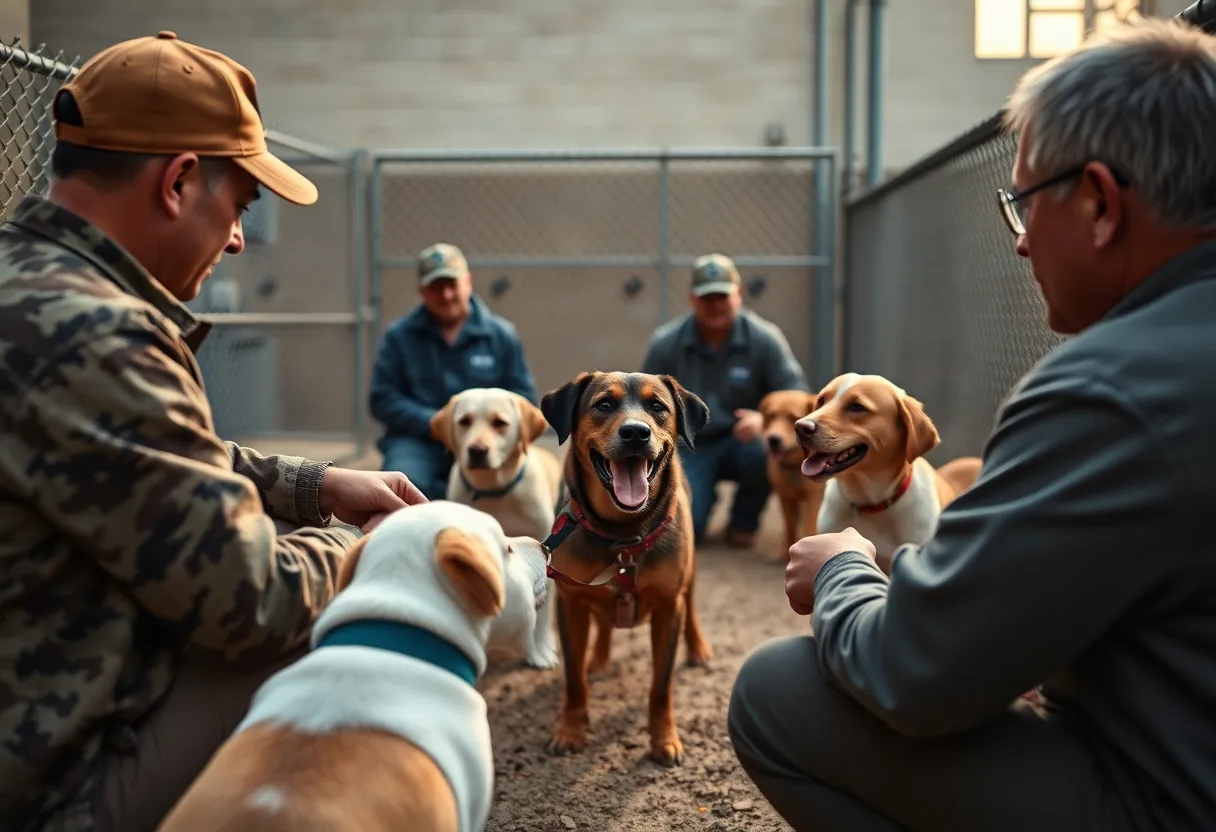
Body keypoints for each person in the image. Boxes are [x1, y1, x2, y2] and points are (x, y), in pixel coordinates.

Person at [728, 18, 1216, 832]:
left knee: (777, 692)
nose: (1021, 243)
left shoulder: (1106, 388)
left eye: (1022, 203)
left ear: (1098, 202)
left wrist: (846, 572)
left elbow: (919, 675)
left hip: (1172, 800)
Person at [0, 32, 426, 832]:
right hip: (50, 785)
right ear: (180, 181)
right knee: (359, 633)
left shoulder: (31, 287)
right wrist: (370, 550)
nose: (235, 238)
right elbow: (251, 600)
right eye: (239, 208)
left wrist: (314, 486)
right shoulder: (97, 332)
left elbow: (137, 454)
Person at [641, 253, 809, 548]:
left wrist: (763, 420)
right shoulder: (666, 343)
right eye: (707, 298)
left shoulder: (765, 339)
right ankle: (702, 499)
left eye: (723, 296)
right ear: (692, 298)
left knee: (767, 448)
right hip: (690, 445)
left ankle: (744, 521)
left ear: (738, 294)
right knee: (687, 526)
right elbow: (642, 402)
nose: (716, 305)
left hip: (743, 439)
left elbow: (795, 391)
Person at [369, 242, 539, 500]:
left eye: (452, 284)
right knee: (403, 487)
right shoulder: (399, 337)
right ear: (421, 291)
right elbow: (382, 399)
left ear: (468, 282)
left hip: (485, 442)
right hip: (419, 441)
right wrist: (439, 423)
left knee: (512, 486)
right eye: (436, 287)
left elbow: (523, 399)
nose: (446, 295)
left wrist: (493, 431)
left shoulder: (501, 336)